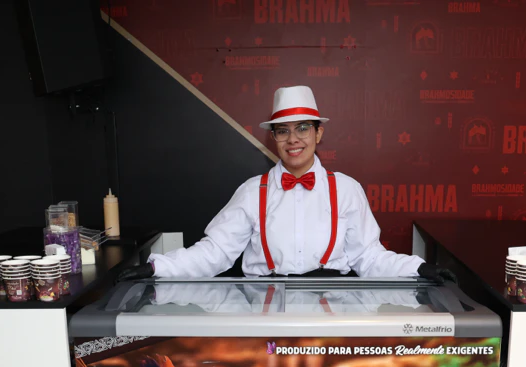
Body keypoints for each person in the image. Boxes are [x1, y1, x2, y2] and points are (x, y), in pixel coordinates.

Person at [118, 85, 438, 280]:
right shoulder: (251, 192)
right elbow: (214, 252)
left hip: (332, 311)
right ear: (273, 138)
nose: (293, 139)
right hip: (264, 311)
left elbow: (369, 257)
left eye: (303, 128)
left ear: (318, 133)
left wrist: (418, 269)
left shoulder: (346, 190)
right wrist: (157, 268)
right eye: (283, 131)